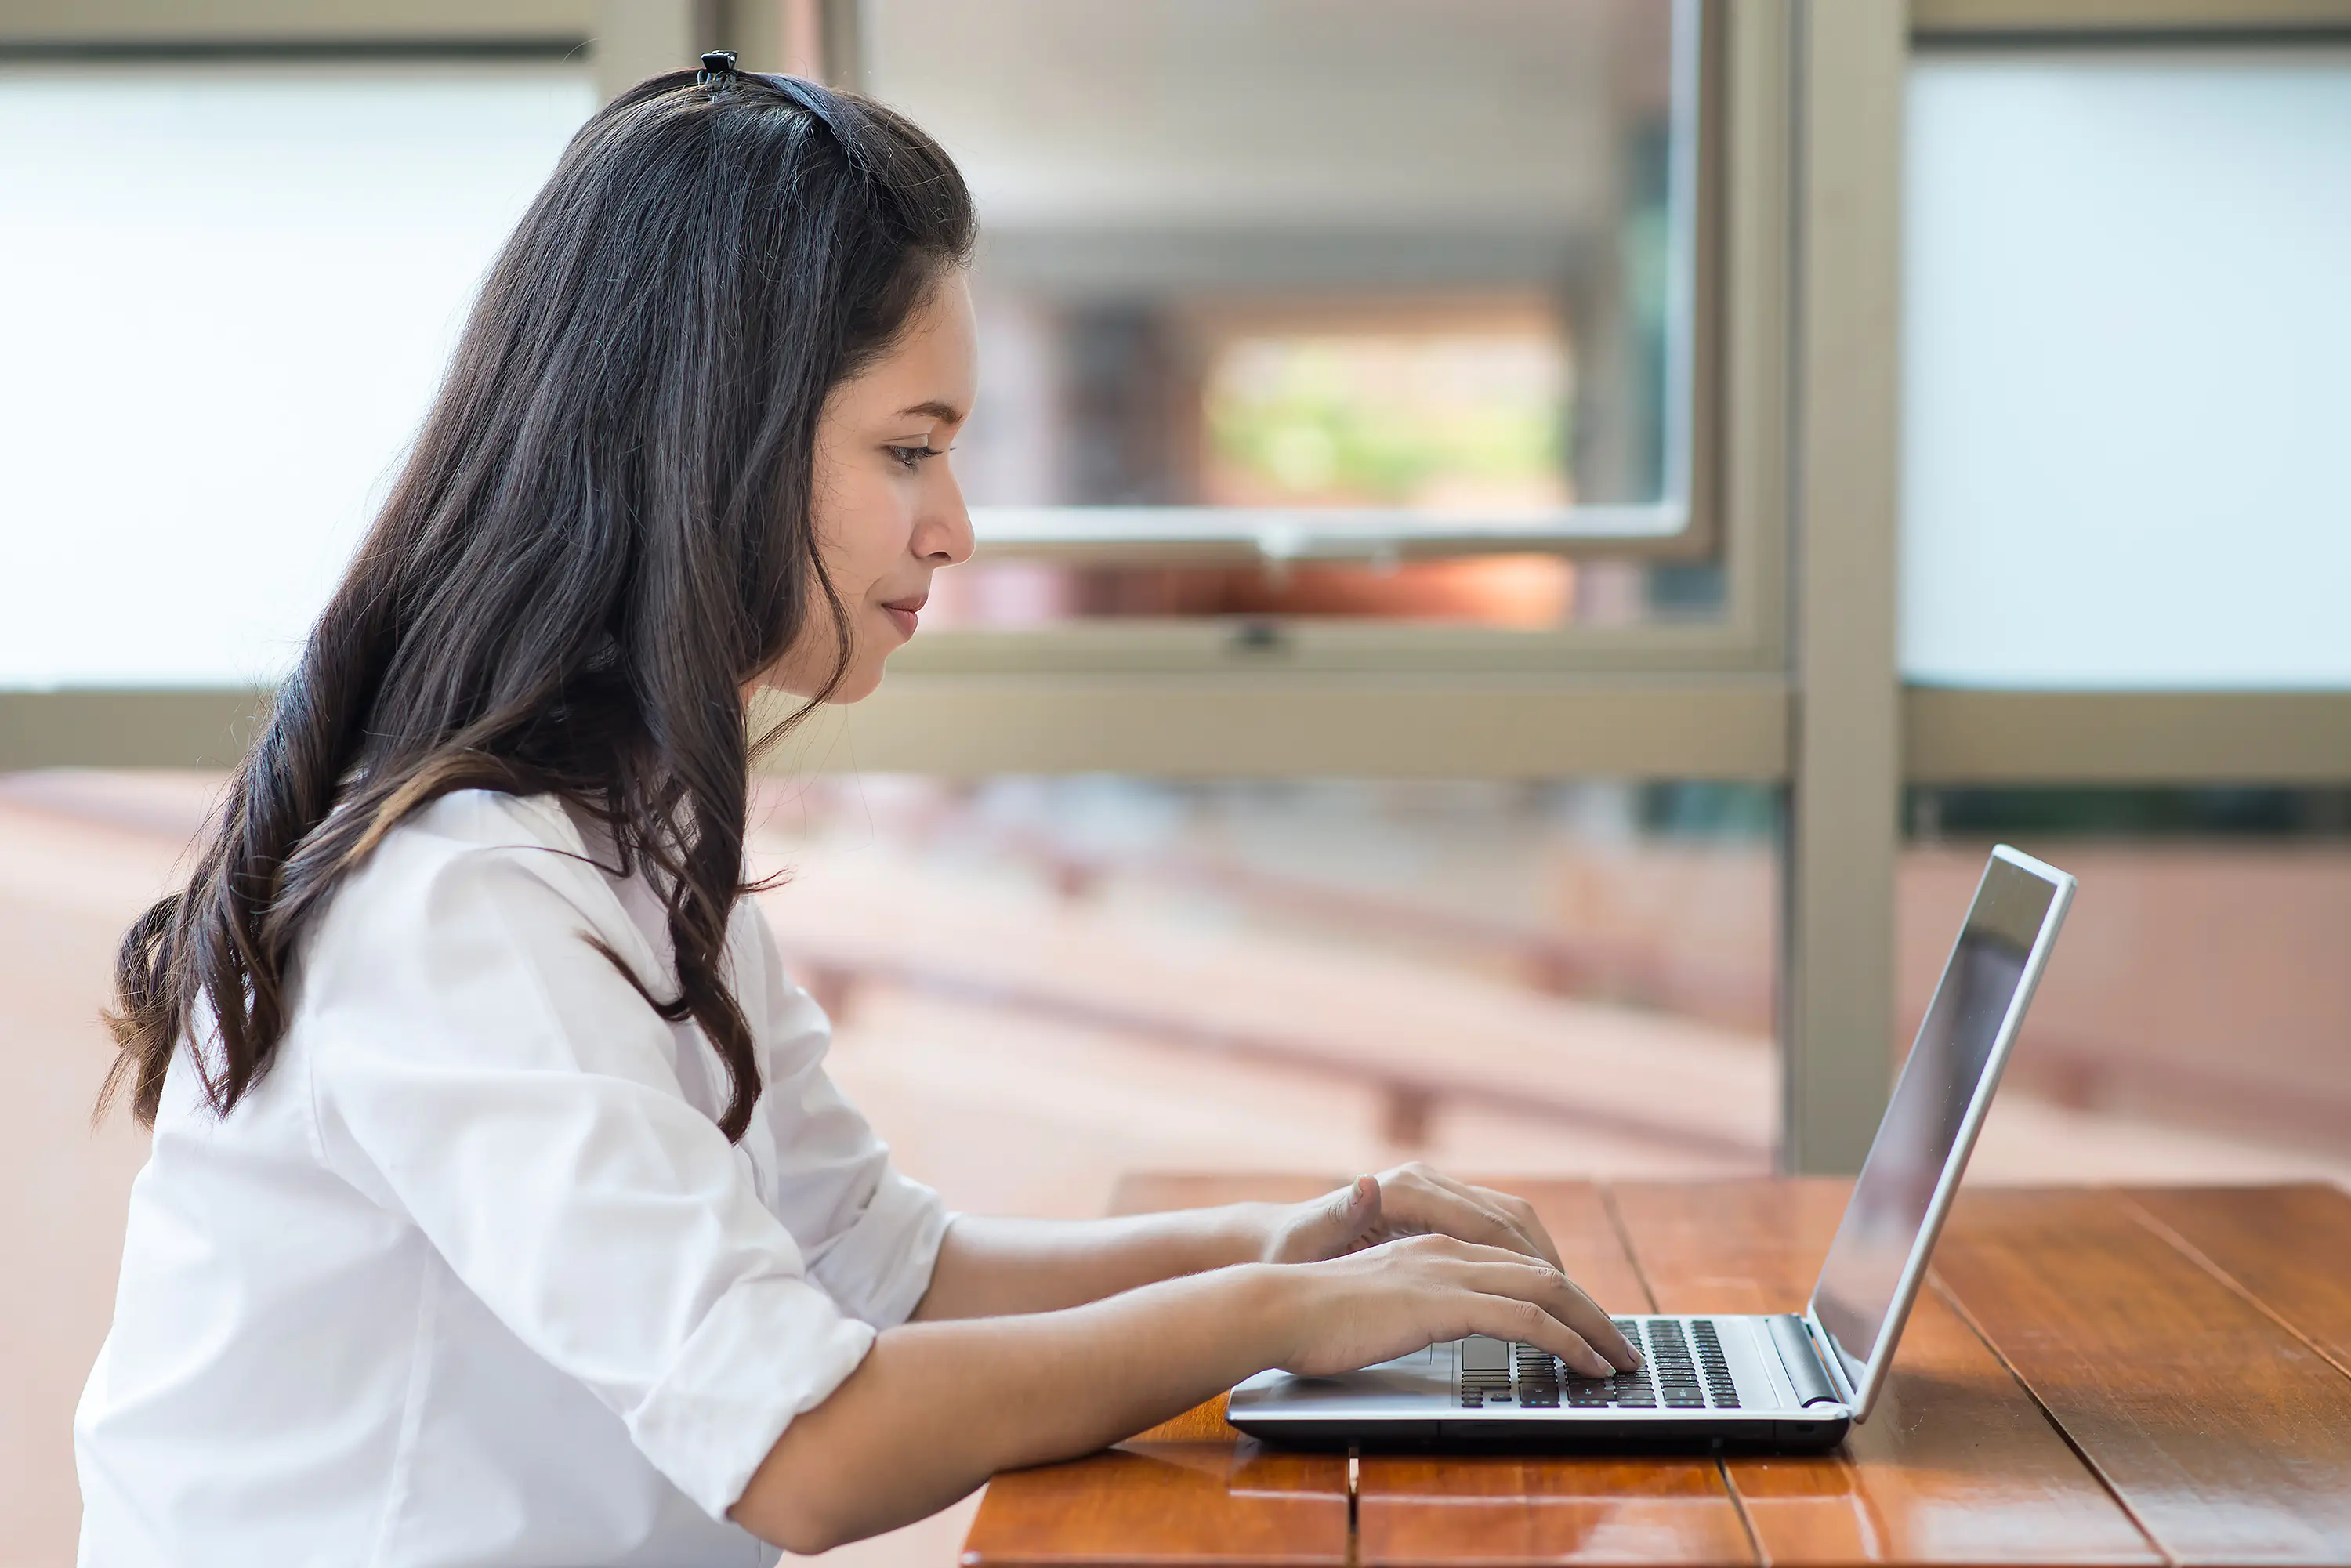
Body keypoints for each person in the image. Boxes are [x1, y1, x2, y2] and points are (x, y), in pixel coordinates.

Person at [74, 62, 1640, 1566]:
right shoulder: (458, 899)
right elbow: (803, 1450)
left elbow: (897, 1272)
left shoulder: (623, 836)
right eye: (911, 450)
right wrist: (1273, 1327)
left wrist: (1291, 1247)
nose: (953, 529)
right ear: (715, 439)